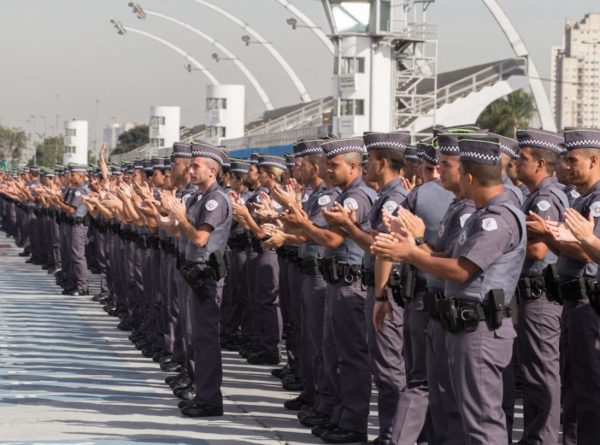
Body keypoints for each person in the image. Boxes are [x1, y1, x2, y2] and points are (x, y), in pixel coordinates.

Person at [372, 134, 526, 444]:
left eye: (448, 167)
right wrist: (413, 245)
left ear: (469, 177)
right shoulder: (480, 215)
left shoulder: (497, 220)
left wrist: (411, 253)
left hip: (480, 329)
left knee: (482, 422)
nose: (440, 175)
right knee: (456, 413)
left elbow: (460, 270)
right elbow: (447, 257)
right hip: (463, 325)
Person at [536, 128, 600, 445]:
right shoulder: (582, 199)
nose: (566, 166)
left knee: (589, 391)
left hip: (590, 303)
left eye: (572, 160)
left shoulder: (597, 201)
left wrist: (560, 239)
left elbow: (593, 250)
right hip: (573, 302)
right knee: (575, 390)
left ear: (594, 160)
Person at [513, 128, 568, 445]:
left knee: (542, 372)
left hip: (541, 294)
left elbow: (538, 250)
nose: (518, 163)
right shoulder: (532, 196)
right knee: (533, 370)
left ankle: (543, 438)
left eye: (524, 159)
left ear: (540, 165)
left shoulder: (545, 200)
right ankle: (535, 435)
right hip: (530, 293)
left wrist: (507, 239)